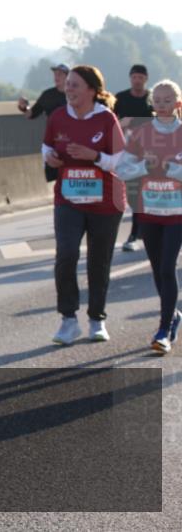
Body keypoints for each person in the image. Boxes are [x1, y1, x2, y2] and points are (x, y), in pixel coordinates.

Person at [43, 65, 125, 345]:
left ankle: (96, 319)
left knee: (98, 261)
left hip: (104, 202)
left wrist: (95, 156)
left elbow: (120, 161)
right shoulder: (57, 116)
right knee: (65, 256)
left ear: (92, 90)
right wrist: (50, 157)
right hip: (68, 198)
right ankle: (68, 320)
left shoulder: (106, 119)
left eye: (75, 85)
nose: (69, 90)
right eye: (67, 85)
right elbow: (46, 147)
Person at [117, 79, 182, 353]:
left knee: (168, 268)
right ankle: (175, 315)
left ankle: (163, 329)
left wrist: (171, 169)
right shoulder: (142, 133)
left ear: (178, 103)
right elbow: (121, 169)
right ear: (152, 104)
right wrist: (145, 164)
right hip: (149, 210)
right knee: (157, 270)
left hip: (178, 212)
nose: (162, 106)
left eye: (168, 101)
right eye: (158, 101)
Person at [114, 64, 155, 251]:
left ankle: (136, 233)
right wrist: (121, 124)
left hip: (152, 154)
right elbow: (109, 124)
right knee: (133, 195)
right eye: (134, 77)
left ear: (146, 79)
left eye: (140, 77)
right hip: (128, 155)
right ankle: (140, 231)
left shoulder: (153, 99)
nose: (137, 80)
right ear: (130, 78)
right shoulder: (120, 98)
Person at [18, 63, 70, 182]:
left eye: (60, 74)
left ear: (68, 76)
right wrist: (23, 107)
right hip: (53, 141)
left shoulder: (74, 94)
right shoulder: (47, 95)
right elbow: (31, 114)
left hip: (72, 140)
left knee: (69, 173)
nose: (56, 77)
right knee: (55, 176)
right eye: (55, 74)